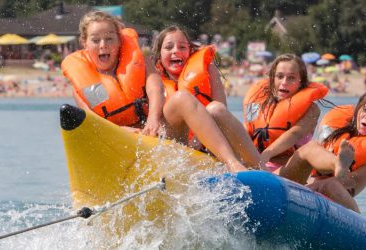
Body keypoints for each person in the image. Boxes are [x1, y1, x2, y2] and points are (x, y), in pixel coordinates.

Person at [62, 11, 249, 172]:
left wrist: (152, 120)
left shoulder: (139, 61)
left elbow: (156, 89)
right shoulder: (81, 85)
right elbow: (93, 124)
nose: (103, 44)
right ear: (84, 43)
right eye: (96, 40)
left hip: (157, 135)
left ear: (119, 41)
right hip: (118, 143)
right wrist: (122, 130)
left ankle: (232, 163)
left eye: (109, 38)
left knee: (182, 98)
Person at [152, 26, 260, 169]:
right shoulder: (153, 79)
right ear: (159, 54)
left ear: (190, 51)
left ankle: (260, 169)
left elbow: (221, 110)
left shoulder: (208, 69)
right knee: (182, 98)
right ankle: (232, 163)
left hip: (209, 142)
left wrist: (199, 140)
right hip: (175, 141)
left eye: (182, 47)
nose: (176, 51)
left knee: (216, 109)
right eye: (168, 47)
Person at [278, 95, 366, 212]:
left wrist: (309, 188)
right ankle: (337, 163)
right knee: (310, 147)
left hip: (335, 192)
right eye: (365, 109)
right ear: (358, 108)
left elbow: (350, 181)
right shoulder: (340, 125)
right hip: (307, 181)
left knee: (331, 186)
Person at [243, 53, 329, 171]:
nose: (284, 82)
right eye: (280, 76)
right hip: (255, 163)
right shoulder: (256, 101)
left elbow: (295, 134)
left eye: (291, 78)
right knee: (220, 113)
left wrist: (266, 154)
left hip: (288, 170)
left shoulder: (312, 110)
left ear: (301, 82)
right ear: (272, 78)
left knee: (312, 147)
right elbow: (247, 127)